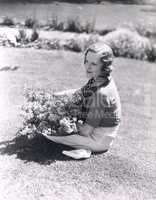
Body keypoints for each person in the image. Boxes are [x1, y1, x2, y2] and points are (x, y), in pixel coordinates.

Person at [41, 42, 121, 159]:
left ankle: (86, 149)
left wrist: (65, 122)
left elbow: (85, 131)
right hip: (95, 130)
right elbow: (79, 93)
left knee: (47, 132)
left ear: (104, 67)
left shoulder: (102, 94)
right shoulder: (98, 79)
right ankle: (83, 148)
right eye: (87, 61)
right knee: (51, 124)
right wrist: (55, 96)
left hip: (99, 138)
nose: (87, 67)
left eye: (93, 64)